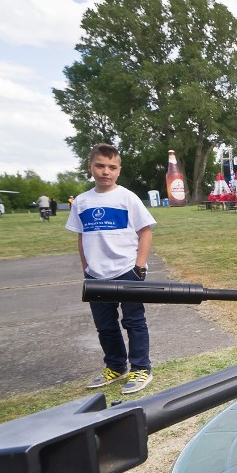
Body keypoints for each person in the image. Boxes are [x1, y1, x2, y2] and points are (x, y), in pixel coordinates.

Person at [65, 143, 157, 395]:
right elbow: (81, 238)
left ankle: (141, 368)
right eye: (100, 166)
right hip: (96, 275)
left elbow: (145, 232)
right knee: (105, 326)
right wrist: (87, 269)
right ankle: (116, 366)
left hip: (127, 270)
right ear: (90, 167)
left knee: (134, 322)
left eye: (112, 167)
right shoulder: (82, 202)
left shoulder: (127, 197)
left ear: (119, 170)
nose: (106, 171)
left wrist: (139, 267)